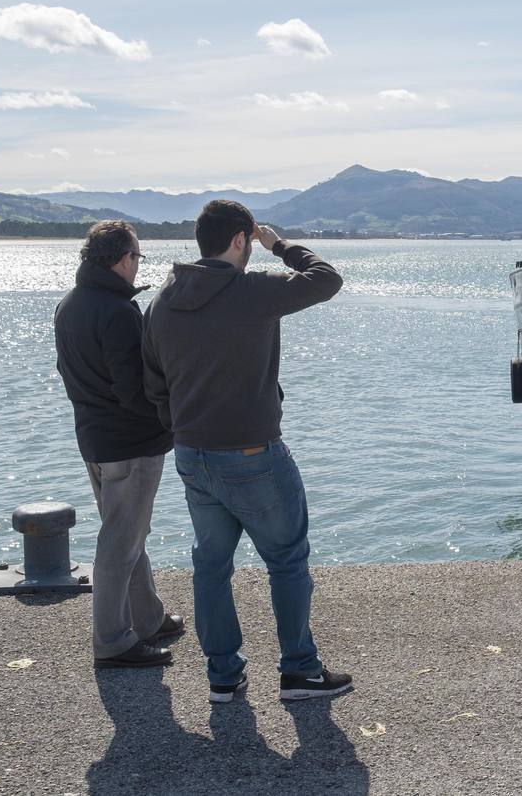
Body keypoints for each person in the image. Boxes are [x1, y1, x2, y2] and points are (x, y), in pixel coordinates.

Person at [141, 200, 350, 704]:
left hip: (193, 454)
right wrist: (278, 245)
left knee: (211, 567)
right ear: (240, 240)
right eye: (250, 240)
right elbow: (326, 278)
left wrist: (184, 427)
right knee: (287, 560)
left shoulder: (163, 301)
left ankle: (223, 676)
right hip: (253, 453)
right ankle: (299, 671)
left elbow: (153, 381)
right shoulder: (249, 290)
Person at [54, 220, 184, 669]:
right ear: (123, 259)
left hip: (94, 438)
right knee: (120, 543)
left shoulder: (70, 305)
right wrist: (170, 420)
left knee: (128, 533)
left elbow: (68, 372)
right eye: (137, 257)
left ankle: (146, 618)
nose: (137, 266)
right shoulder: (117, 311)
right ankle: (112, 640)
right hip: (130, 443)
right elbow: (135, 389)